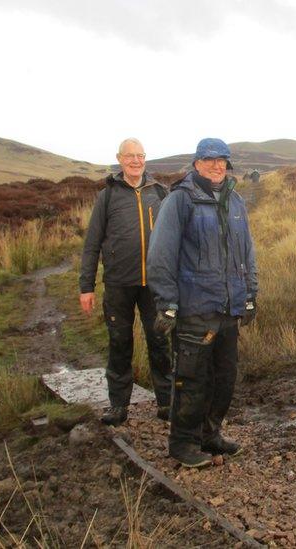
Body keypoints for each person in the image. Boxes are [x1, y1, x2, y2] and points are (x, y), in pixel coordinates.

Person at [147, 137, 258, 468]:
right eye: (210, 160)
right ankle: (182, 442)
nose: (217, 165)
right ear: (196, 164)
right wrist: (166, 302)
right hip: (195, 308)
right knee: (192, 379)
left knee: (224, 378)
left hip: (229, 308)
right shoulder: (180, 201)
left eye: (222, 160)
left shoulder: (235, 202)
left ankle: (210, 435)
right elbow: (160, 255)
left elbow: (247, 253)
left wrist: (250, 294)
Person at [79, 138, 173, 426]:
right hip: (118, 283)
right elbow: (92, 243)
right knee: (120, 343)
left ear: (145, 159)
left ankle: (167, 403)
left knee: (160, 341)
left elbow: (173, 237)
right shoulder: (108, 195)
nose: (136, 161)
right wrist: (86, 287)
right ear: (120, 159)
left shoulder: (159, 192)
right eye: (130, 156)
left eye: (140, 156)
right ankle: (118, 406)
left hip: (154, 286)